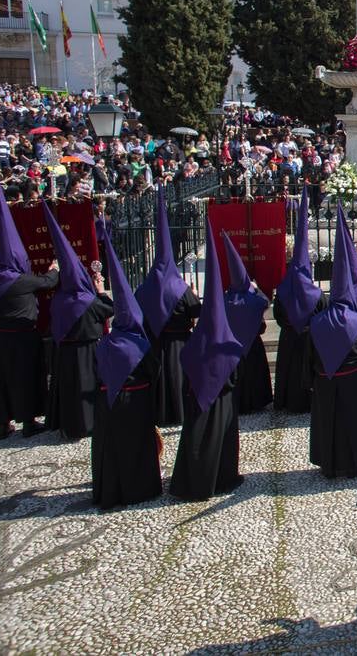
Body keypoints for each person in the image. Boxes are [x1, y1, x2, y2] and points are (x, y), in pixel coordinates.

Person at [170, 217, 244, 501]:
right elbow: (234, 376)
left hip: (196, 399)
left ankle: (191, 481)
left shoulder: (193, 342)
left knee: (195, 438)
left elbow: (186, 364)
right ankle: (222, 479)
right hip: (222, 400)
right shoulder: (227, 343)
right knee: (221, 441)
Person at [0, 176, 58, 439]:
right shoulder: (20, 280)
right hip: (21, 338)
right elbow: (48, 281)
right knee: (25, 379)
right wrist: (56, 268)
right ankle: (28, 422)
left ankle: (3, 425)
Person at [91, 217, 162, 509]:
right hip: (136, 401)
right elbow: (152, 371)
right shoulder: (141, 344)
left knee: (112, 448)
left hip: (108, 402)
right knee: (137, 447)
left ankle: (111, 491)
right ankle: (140, 489)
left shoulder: (104, 343)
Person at [309, 213, 357, 480]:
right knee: (352, 423)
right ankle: (353, 465)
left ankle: (329, 465)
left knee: (328, 421)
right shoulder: (356, 321)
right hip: (353, 379)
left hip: (326, 380)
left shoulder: (317, 321)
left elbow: (311, 352)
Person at [41, 201, 110, 440]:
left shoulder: (59, 300)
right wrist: (100, 289)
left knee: (70, 390)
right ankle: (88, 424)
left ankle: (68, 425)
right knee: (86, 389)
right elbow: (107, 310)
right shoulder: (87, 300)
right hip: (87, 350)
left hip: (65, 355)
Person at [136, 185, 200, 427]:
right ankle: (180, 412)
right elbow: (197, 310)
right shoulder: (179, 288)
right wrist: (192, 294)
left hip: (153, 343)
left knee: (159, 377)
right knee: (177, 378)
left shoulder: (143, 288)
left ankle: (158, 412)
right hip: (179, 342)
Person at [272, 196, 318, 413]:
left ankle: (285, 400)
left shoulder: (283, 290)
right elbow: (321, 312)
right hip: (308, 337)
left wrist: (290, 326)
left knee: (288, 369)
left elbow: (278, 315)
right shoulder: (316, 293)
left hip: (290, 336)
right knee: (305, 369)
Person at [219, 232, 272, 416]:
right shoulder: (253, 299)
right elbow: (266, 302)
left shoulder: (225, 299)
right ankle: (257, 402)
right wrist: (256, 290)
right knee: (255, 373)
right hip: (253, 346)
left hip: (232, 348)